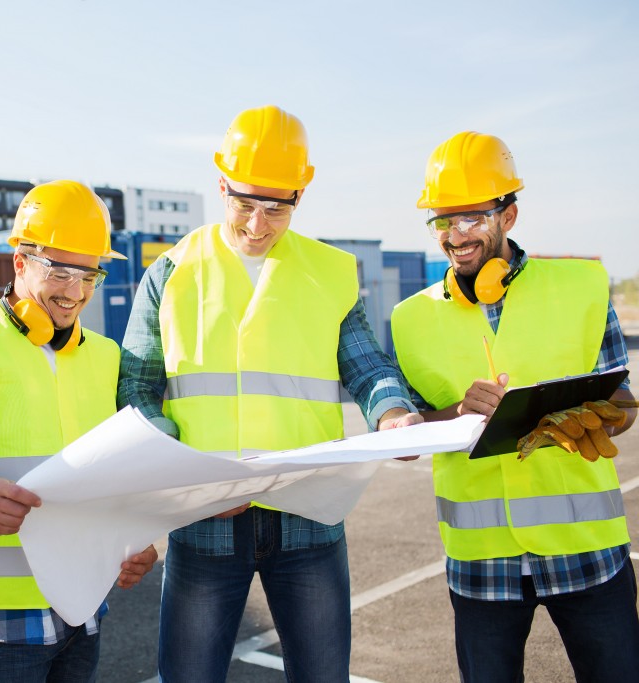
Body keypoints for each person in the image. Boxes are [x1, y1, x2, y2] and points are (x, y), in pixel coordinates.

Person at [117, 104, 422, 683]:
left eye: (277, 206)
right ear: (221, 183)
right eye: (245, 203)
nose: (258, 224)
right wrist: (189, 474)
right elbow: (137, 391)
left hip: (308, 517)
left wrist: (394, 412)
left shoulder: (331, 271)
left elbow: (367, 365)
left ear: (301, 195)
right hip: (205, 521)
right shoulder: (171, 271)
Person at [390, 130, 639, 682]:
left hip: (586, 549)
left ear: (511, 214)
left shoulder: (583, 287)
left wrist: (593, 414)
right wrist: (452, 415)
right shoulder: (410, 319)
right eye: (443, 221)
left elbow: (622, 401)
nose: (457, 236)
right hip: (482, 564)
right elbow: (409, 428)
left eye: (473, 218)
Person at [0, 179, 158, 682]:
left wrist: (137, 537)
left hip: (82, 605)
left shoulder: (106, 358)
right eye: (60, 271)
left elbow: (121, 466)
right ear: (19, 262)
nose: (75, 292)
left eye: (89, 275)